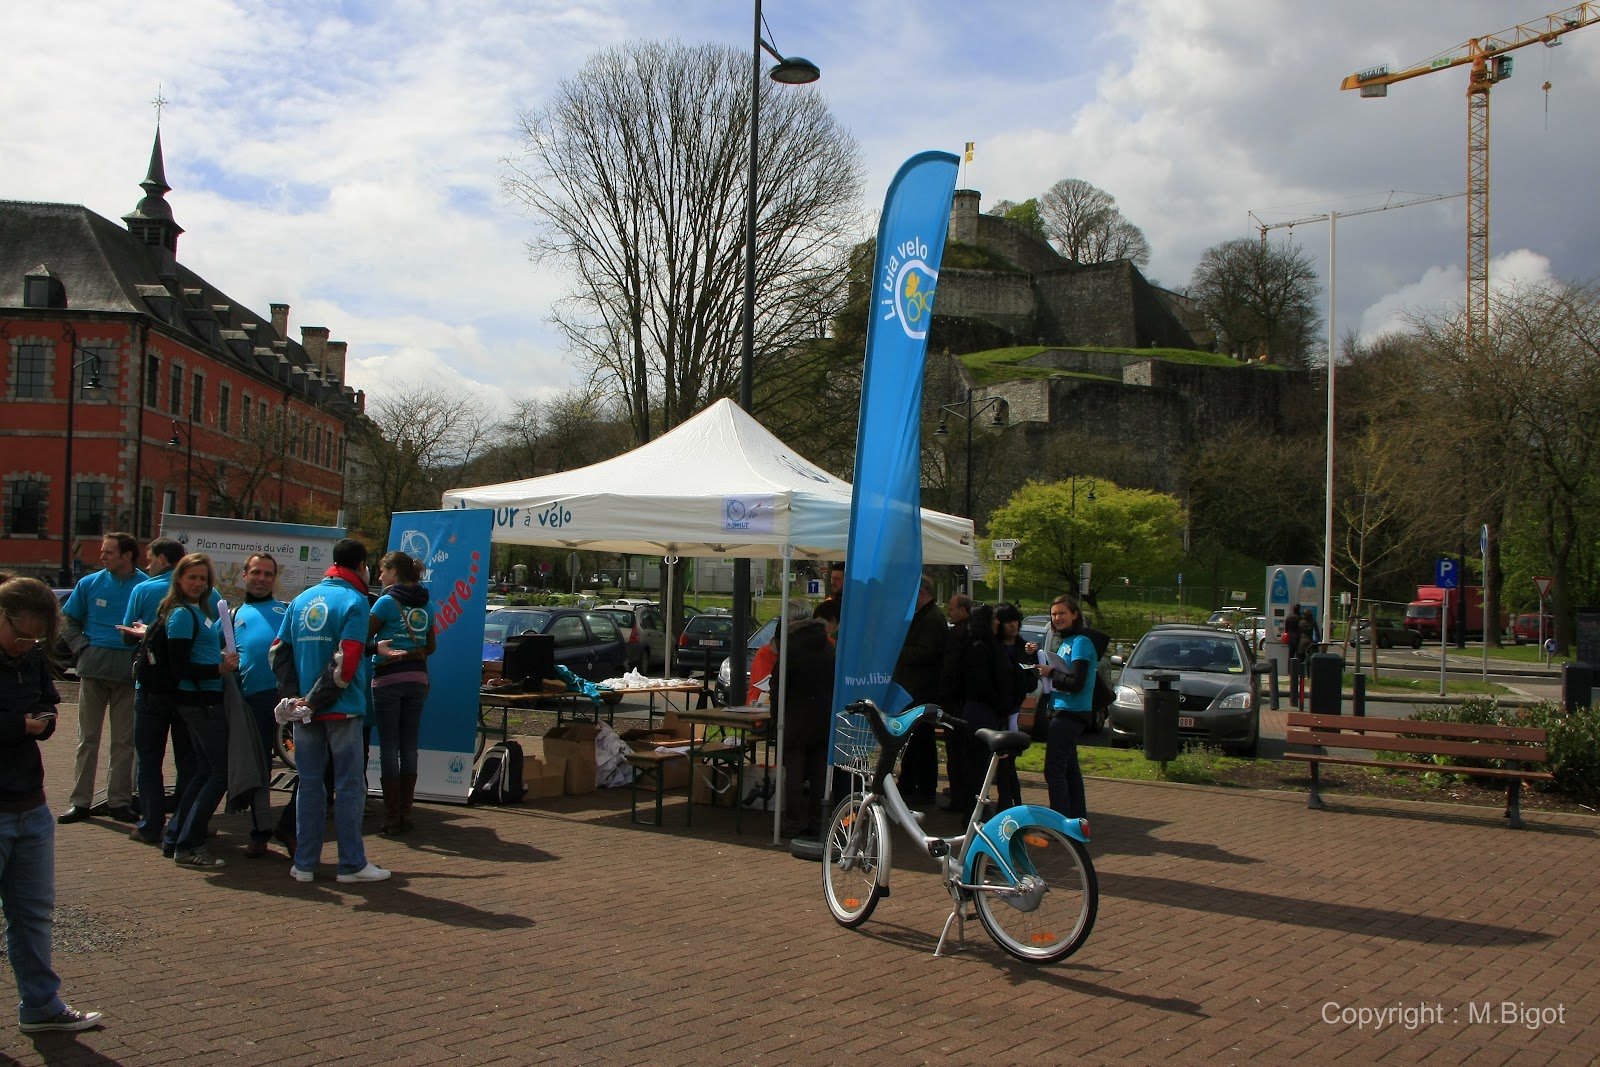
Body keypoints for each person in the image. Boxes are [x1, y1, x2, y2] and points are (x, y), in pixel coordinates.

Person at [0, 572, 104, 1032]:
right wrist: (18, 727)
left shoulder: (33, 660)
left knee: (34, 914)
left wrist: (42, 720)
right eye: (20, 634)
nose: (27, 644)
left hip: (30, 804)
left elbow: (48, 704)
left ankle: (40, 1005)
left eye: (36, 637)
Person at [271, 538, 391, 884]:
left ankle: (305, 863)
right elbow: (347, 659)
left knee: (309, 784)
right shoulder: (355, 602)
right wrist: (312, 700)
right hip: (339, 710)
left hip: (303, 714)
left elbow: (279, 652)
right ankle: (351, 864)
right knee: (350, 786)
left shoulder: (301, 600)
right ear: (362, 566)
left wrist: (295, 698)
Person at [58, 532, 147, 824]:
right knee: (88, 739)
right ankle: (80, 802)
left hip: (128, 673)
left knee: (124, 742)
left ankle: (119, 801)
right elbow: (68, 620)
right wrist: (82, 647)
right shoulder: (89, 583)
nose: (102, 556)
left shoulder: (145, 586)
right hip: (93, 671)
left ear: (127, 555)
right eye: (103, 551)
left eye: (109, 552)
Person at [159, 553, 239, 869]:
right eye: (192, 577)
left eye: (203, 578)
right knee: (219, 773)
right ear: (179, 579)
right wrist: (219, 668)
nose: (198, 583)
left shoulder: (198, 612)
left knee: (202, 772)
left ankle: (176, 837)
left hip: (204, 699)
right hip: (199, 702)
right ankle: (188, 844)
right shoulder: (181, 615)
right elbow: (178, 667)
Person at [118, 537, 194, 847]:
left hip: (149, 689)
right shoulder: (208, 594)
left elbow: (126, 637)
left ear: (163, 559)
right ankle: (186, 820)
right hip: (189, 689)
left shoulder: (143, 589)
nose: (148, 565)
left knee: (149, 760)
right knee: (189, 760)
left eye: (150, 559)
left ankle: (150, 823)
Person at [232, 553, 294, 857]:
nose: (262, 579)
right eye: (256, 573)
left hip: (289, 698)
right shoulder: (231, 617)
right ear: (244, 576)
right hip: (253, 701)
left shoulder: (287, 611)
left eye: (268, 574)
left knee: (308, 765)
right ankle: (260, 831)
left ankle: (292, 827)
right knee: (259, 767)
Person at [369, 551, 435, 835]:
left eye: (382, 571)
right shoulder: (427, 604)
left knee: (389, 746)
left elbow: (362, 637)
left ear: (394, 571)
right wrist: (412, 651)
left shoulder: (385, 602)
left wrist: (391, 650)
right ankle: (406, 812)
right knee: (409, 745)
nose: (379, 577)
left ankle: (391, 814)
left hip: (388, 677)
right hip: (417, 678)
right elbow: (431, 646)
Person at [771, 617, 836, 838]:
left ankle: (792, 823)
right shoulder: (828, 648)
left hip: (795, 719)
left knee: (794, 773)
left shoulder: (791, 649)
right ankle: (818, 821)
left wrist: (776, 718)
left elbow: (779, 687)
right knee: (819, 773)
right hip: (823, 718)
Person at [1038, 595, 1095, 819]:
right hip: (1060, 710)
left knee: (1054, 769)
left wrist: (1051, 673)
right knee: (1069, 768)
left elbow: (1077, 683)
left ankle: (1059, 822)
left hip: (1071, 712)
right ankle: (1077, 818)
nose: (1057, 618)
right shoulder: (1065, 643)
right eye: (1053, 614)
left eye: (1062, 613)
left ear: (1075, 614)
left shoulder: (1080, 642)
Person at [955, 604, 1013, 820]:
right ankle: (975, 811)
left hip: (982, 709)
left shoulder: (983, 645)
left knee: (979, 762)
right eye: (994, 619)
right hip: (982, 711)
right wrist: (1001, 704)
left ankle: (975, 809)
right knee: (978, 764)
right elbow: (983, 685)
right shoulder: (980, 648)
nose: (998, 623)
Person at [892, 575, 945, 804]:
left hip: (922, 689)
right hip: (916, 688)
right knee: (914, 739)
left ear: (921, 594)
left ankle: (924, 787)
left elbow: (927, 653)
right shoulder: (925, 616)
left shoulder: (932, 619)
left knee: (921, 739)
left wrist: (898, 651)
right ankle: (910, 782)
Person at [994, 603, 1034, 810]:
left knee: (1008, 761)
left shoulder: (1024, 648)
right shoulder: (994, 647)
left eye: (1015, 620)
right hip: (997, 710)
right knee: (1001, 761)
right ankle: (1006, 801)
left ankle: (1012, 802)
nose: (1013, 625)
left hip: (1013, 711)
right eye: (1008, 621)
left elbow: (1031, 680)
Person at [937, 593, 972, 810]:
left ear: (963, 611)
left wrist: (943, 694)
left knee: (956, 752)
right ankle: (963, 795)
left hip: (954, 702)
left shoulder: (957, 635)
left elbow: (950, 669)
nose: (949, 612)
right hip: (963, 701)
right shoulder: (970, 633)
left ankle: (959, 797)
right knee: (962, 752)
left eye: (952, 609)